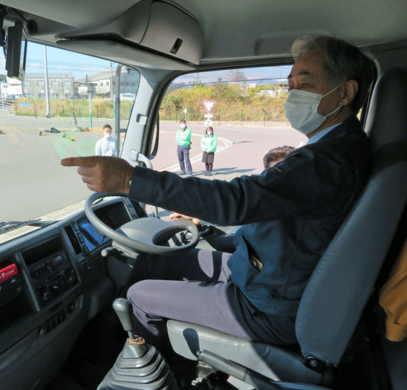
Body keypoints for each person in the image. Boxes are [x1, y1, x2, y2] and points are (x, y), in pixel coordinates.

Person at [61, 35, 375, 349]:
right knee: (160, 262)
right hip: (271, 277)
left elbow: (239, 201)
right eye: (289, 85)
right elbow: (274, 213)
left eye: (304, 85)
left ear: (346, 92)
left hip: (267, 304)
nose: (291, 95)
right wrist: (210, 225)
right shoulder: (343, 147)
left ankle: (148, 376)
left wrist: (129, 180)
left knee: (137, 297)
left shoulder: (327, 161)